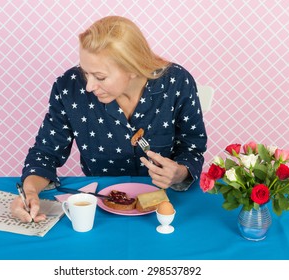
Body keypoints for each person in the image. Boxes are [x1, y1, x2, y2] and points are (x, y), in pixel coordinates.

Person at [11, 16, 207, 222]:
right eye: (85, 72)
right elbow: (45, 153)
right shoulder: (68, 87)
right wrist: (30, 192)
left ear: (133, 68)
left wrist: (179, 173)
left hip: (169, 203)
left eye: (100, 77)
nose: (88, 86)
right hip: (100, 209)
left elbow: (192, 147)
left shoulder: (177, 82)